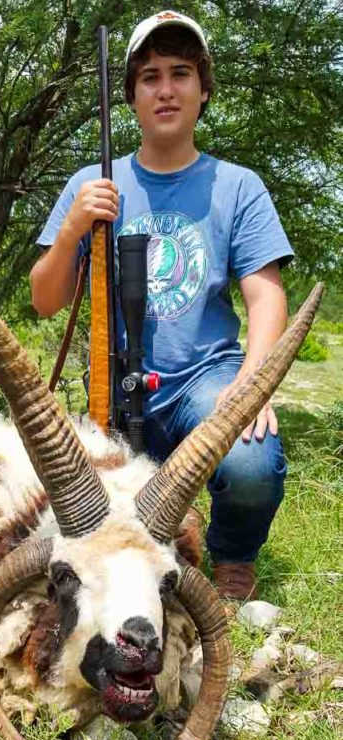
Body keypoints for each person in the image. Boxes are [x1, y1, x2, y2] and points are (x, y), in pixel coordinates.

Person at [29, 11, 293, 603]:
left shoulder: (238, 185)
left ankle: (231, 561)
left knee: (251, 462)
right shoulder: (90, 184)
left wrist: (251, 387)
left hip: (207, 382)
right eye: (149, 76)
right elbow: (45, 300)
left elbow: (266, 295)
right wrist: (72, 230)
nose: (166, 89)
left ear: (203, 88)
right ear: (131, 96)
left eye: (180, 73)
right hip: (117, 388)